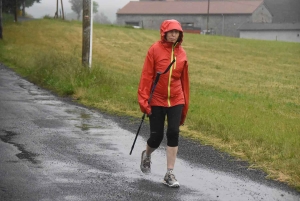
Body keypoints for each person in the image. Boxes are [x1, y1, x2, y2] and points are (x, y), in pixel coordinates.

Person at [137, 19, 189, 188]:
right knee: (156, 137)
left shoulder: (182, 54)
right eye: (171, 31)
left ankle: (169, 173)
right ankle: (147, 154)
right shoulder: (154, 50)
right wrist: (144, 100)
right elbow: (147, 76)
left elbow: (184, 81)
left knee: (173, 132)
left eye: (177, 32)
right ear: (164, 33)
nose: (174, 34)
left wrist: (184, 105)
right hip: (157, 99)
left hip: (176, 98)